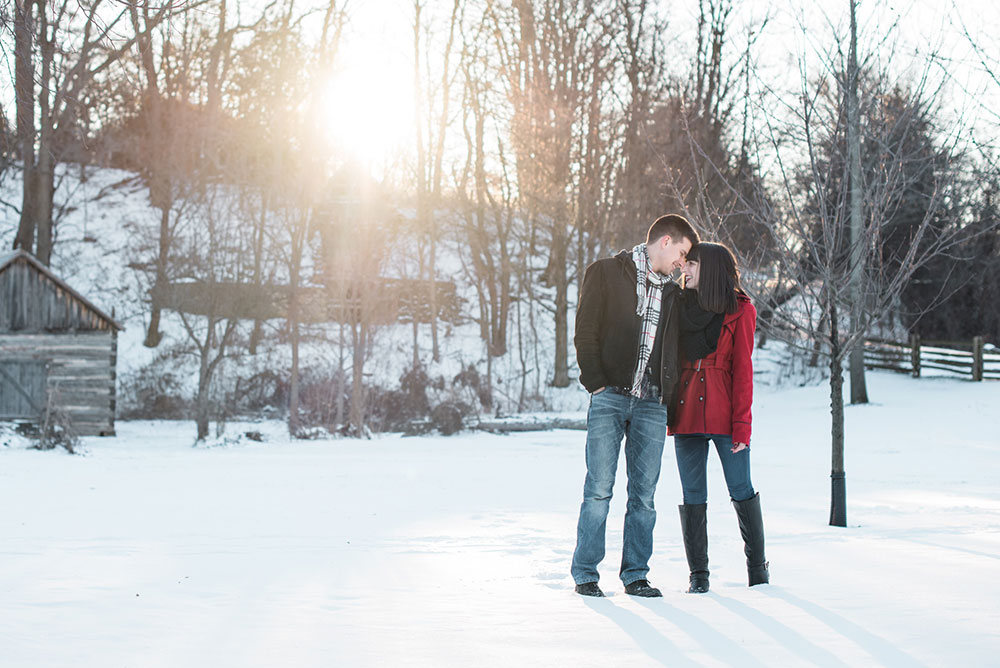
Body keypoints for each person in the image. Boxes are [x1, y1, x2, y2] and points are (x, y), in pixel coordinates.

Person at [571, 214, 700, 598]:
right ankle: (585, 574)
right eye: (682, 253)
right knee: (599, 489)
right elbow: (585, 330)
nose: (681, 262)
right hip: (608, 397)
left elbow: (696, 341)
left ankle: (636, 575)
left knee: (643, 495)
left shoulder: (676, 296)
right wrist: (595, 382)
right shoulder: (606, 272)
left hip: (652, 405)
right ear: (665, 241)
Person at [669, 241, 769, 594]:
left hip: (726, 416)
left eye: (692, 264)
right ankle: (699, 577)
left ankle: (758, 572)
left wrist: (743, 425)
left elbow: (743, 371)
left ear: (709, 269)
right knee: (692, 493)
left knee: (741, 490)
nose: (685, 269)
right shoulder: (677, 305)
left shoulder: (741, 311)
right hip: (686, 415)